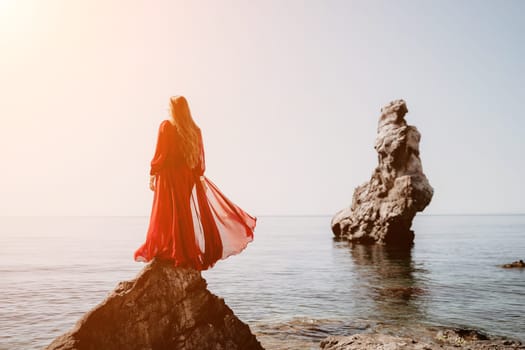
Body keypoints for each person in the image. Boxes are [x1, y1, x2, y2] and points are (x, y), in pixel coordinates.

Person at [134, 96, 256, 270]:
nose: (167, 110)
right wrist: (199, 178)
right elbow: (199, 159)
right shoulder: (195, 130)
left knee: (168, 213)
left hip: (169, 176)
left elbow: (161, 153)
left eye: (169, 107)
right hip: (187, 177)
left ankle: (172, 250)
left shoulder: (167, 127)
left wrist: (152, 173)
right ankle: (181, 250)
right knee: (182, 213)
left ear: (174, 109)